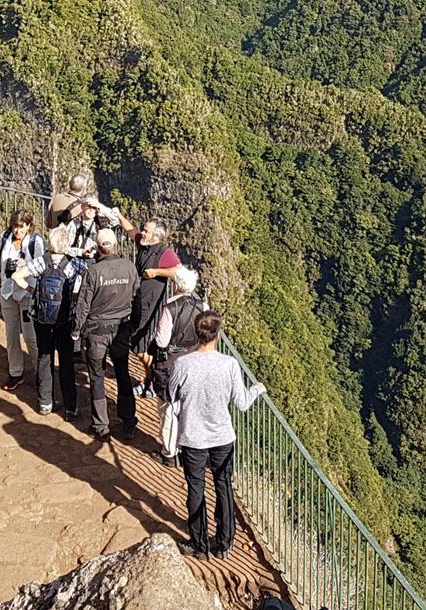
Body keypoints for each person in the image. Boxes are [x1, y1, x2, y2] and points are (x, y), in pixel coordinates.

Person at [169, 310, 266, 561]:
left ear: (196, 333)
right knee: (223, 485)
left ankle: (199, 545)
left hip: (193, 437)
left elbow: (171, 396)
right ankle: (224, 542)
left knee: (196, 488)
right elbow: (243, 403)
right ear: (218, 335)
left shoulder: (182, 364)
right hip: (223, 436)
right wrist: (257, 389)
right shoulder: (229, 365)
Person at [12, 225, 87, 418]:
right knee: (66, 361)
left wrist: (33, 291)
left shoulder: (41, 262)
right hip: (64, 319)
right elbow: (88, 278)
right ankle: (71, 407)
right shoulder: (74, 264)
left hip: (42, 318)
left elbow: (16, 276)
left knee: (44, 358)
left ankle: (45, 402)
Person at [71, 228, 139, 441]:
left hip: (96, 332)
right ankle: (128, 422)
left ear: (97, 248)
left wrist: (76, 329)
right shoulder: (129, 267)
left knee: (97, 376)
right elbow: (137, 296)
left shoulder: (92, 272)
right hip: (121, 329)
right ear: (116, 245)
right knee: (122, 373)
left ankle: (101, 425)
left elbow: (83, 304)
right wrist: (134, 326)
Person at [116, 214, 181, 398]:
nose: (142, 233)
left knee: (140, 346)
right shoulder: (145, 245)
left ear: (157, 236)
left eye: (147, 231)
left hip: (150, 306)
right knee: (138, 345)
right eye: (144, 230)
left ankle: (151, 379)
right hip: (138, 301)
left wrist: (156, 272)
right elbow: (131, 232)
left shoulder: (164, 252)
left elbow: (178, 270)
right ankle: (149, 378)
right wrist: (118, 215)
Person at [149, 266, 206, 468]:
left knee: (168, 408)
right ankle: (186, 447)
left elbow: (162, 342)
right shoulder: (203, 306)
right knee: (187, 406)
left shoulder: (170, 308)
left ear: (175, 286)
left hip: (170, 363)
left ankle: (169, 452)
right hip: (194, 361)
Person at [0, 209, 46, 391]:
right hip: (7, 292)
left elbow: (42, 264)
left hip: (27, 293)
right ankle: (16, 372)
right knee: (11, 334)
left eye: (21, 227)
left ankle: (41, 373)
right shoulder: (5, 237)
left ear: (29, 226)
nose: (17, 231)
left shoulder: (36, 242)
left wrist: (26, 266)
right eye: (15, 226)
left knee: (31, 336)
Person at [63, 194, 114, 262]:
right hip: (77, 261)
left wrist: (100, 206)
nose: (91, 210)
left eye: (94, 207)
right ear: (82, 207)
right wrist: (81, 252)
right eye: (89, 206)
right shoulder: (73, 224)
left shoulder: (101, 224)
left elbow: (115, 219)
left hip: (97, 261)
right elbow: (65, 248)